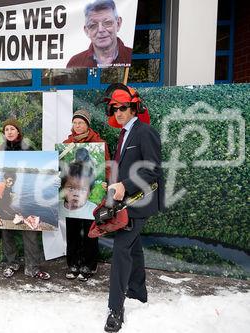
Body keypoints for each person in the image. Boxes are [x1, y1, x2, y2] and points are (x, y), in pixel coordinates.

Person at [101, 84, 163, 332]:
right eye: (115, 108)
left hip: (139, 201)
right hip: (127, 200)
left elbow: (153, 170)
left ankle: (116, 309)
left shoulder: (144, 132)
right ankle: (138, 292)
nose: (118, 112)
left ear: (134, 108)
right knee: (133, 247)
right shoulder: (125, 134)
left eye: (123, 107)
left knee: (120, 250)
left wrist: (124, 186)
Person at [0, 119, 50, 280]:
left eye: (12, 129)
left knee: (30, 231)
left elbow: (39, 172)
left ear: (18, 131)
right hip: (6, 200)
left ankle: (33, 267)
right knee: (7, 232)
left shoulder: (28, 149)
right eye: (6, 129)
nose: (9, 132)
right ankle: (11, 263)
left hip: (26, 197)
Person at [60, 159, 98, 281]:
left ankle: (89, 266)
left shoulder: (92, 208)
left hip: (88, 218)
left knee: (89, 240)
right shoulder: (60, 206)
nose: (76, 194)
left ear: (89, 191)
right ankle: (73, 264)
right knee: (72, 239)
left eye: (82, 189)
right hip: (71, 216)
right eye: (71, 188)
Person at [66, 0, 132, 68]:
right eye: (93, 25)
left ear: (118, 24)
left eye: (107, 23)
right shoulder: (75, 63)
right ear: (86, 31)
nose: (101, 30)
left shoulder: (132, 56)